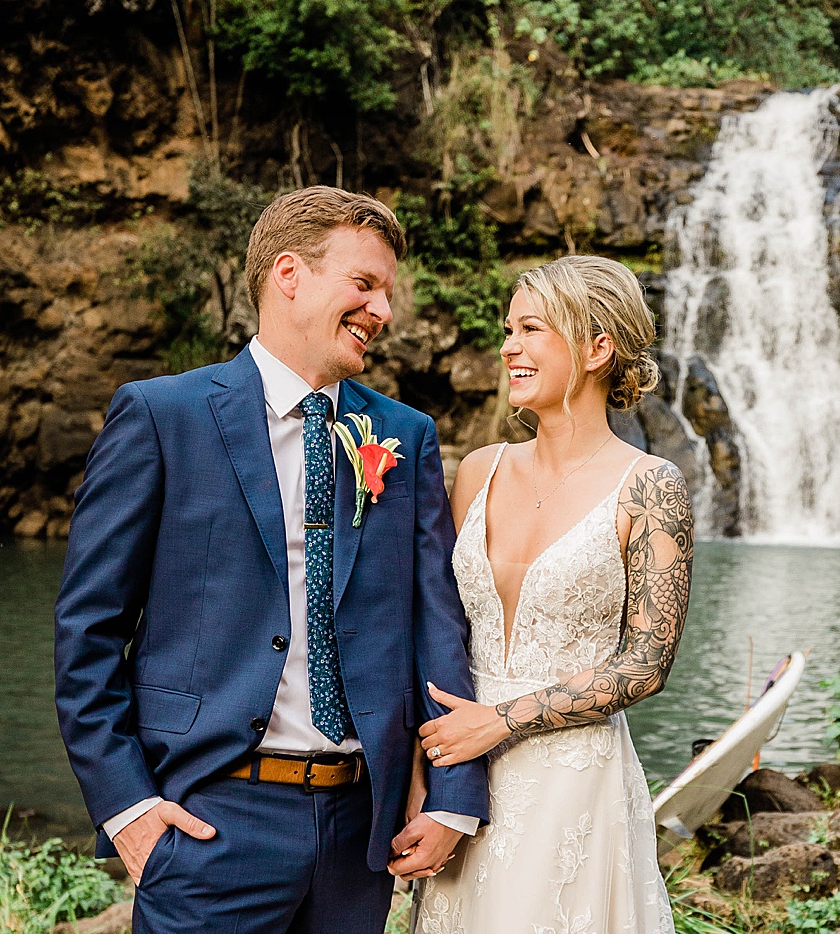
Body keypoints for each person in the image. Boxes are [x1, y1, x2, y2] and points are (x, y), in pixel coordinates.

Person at [54, 186, 488, 934]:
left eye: (386, 292)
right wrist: (126, 807)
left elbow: (434, 623)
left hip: (363, 830)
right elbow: (89, 631)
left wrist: (452, 792)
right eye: (365, 284)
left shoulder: (404, 434)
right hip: (211, 822)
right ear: (289, 274)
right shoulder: (163, 417)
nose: (383, 311)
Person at [411, 255, 692, 933]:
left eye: (531, 328)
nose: (509, 345)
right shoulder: (478, 471)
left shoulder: (651, 487)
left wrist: (501, 721)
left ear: (598, 347)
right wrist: (424, 781)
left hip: (572, 781)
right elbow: (434, 628)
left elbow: (645, 664)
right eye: (509, 329)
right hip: (459, 771)